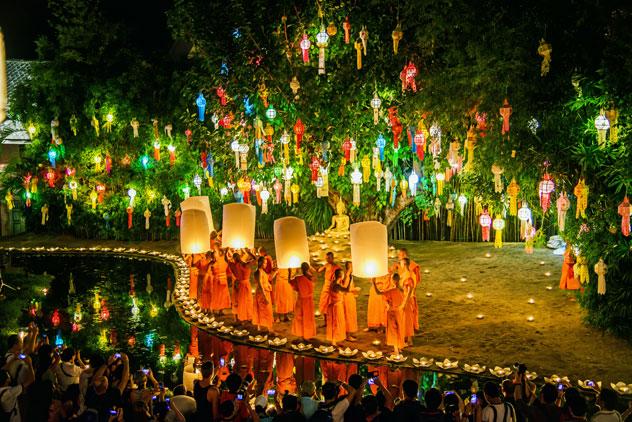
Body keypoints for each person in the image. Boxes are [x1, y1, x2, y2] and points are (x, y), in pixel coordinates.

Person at [84, 353, 129, 422]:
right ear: (106, 386)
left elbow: (95, 379)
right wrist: (126, 361)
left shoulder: (90, 392)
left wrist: (107, 363)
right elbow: (124, 380)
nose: (103, 377)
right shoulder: (112, 394)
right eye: (104, 379)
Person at [372, 274, 406, 355]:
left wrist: (373, 283)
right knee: (399, 329)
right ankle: (399, 348)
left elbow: (378, 292)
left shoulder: (392, 290)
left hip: (392, 312)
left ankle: (396, 351)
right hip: (400, 311)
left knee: (393, 331)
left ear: (394, 280)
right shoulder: (402, 289)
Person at [0, 356, 34, 422]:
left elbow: (3, 369)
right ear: (7, 381)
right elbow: (31, 379)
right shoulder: (10, 392)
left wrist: (13, 358)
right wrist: (30, 364)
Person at [290, 263, 316, 340]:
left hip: (301, 300)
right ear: (308, 268)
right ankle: (307, 335)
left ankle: (300, 334)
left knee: (299, 317)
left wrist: (289, 272)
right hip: (308, 301)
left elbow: (291, 282)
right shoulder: (311, 277)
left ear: (301, 268)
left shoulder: (298, 278)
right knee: (308, 318)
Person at [228, 250, 256, 322]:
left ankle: (243, 317)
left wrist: (226, 251)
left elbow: (226, 260)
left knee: (242, 301)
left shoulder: (236, 265)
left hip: (241, 284)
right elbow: (255, 259)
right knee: (244, 301)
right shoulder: (245, 264)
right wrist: (249, 252)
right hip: (243, 284)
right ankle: (243, 317)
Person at [317, 252, 341, 325]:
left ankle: (333, 321)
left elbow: (339, 277)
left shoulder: (336, 267)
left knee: (332, 304)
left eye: (329, 258)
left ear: (332, 258)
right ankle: (326, 322)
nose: (327, 259)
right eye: (326, 258)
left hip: (332, 286)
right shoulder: (326, 265)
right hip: (326, 286)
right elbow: (319, 270)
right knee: (324, 303)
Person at [253, 256, 277, 331]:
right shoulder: (258, 272)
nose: (266, 265)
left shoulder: (263, 271)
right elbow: (260, 285)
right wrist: (264, 296)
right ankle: (269, 329)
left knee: (266, 310)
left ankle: (261, 327)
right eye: (265, 263)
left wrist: (275, 271)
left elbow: (269, 279)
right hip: (261, 293)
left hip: (266, 292)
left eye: (266, 263)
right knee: (265, 310)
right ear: (260, 263)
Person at [324, 269, 347, 346]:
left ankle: (336, 339)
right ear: (341, 276)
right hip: (336, 307)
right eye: (343, 274)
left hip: (336, 305)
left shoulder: (335, 283)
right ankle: (334, 341)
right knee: (335, 323)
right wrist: (349, 277)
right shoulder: (336, 285)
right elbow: (346, 289)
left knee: (338, 323)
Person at [398, 258, 417, 345]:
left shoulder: (408, 275)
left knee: (408, 319)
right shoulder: (406, 274)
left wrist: (405, 302)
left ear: (404, 264)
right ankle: (406, 338)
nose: (400, 264)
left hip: (408, 299)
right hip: (405, 298)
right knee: (405, 319)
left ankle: (409, 340)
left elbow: (410, 289)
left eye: (401, 263)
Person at [340, 261, 358, 342]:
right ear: (349, 267)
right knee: (348, 315)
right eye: (351, 266)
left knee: (350, 314)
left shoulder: (349, 275)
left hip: (350, 297)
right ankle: (348, 335)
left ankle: (348, 333)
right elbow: (345, 288)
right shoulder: (347, 276)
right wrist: (355, 289)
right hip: (347, 297)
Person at [211, 247, 233, 315]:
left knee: (222, 295)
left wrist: (227, 250)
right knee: (216, 295)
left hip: (223, 280)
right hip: (216, 280)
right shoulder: (214, 261)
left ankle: (221, 310)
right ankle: (215, 309)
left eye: (216, 252)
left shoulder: (223, 259)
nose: (215, 253)